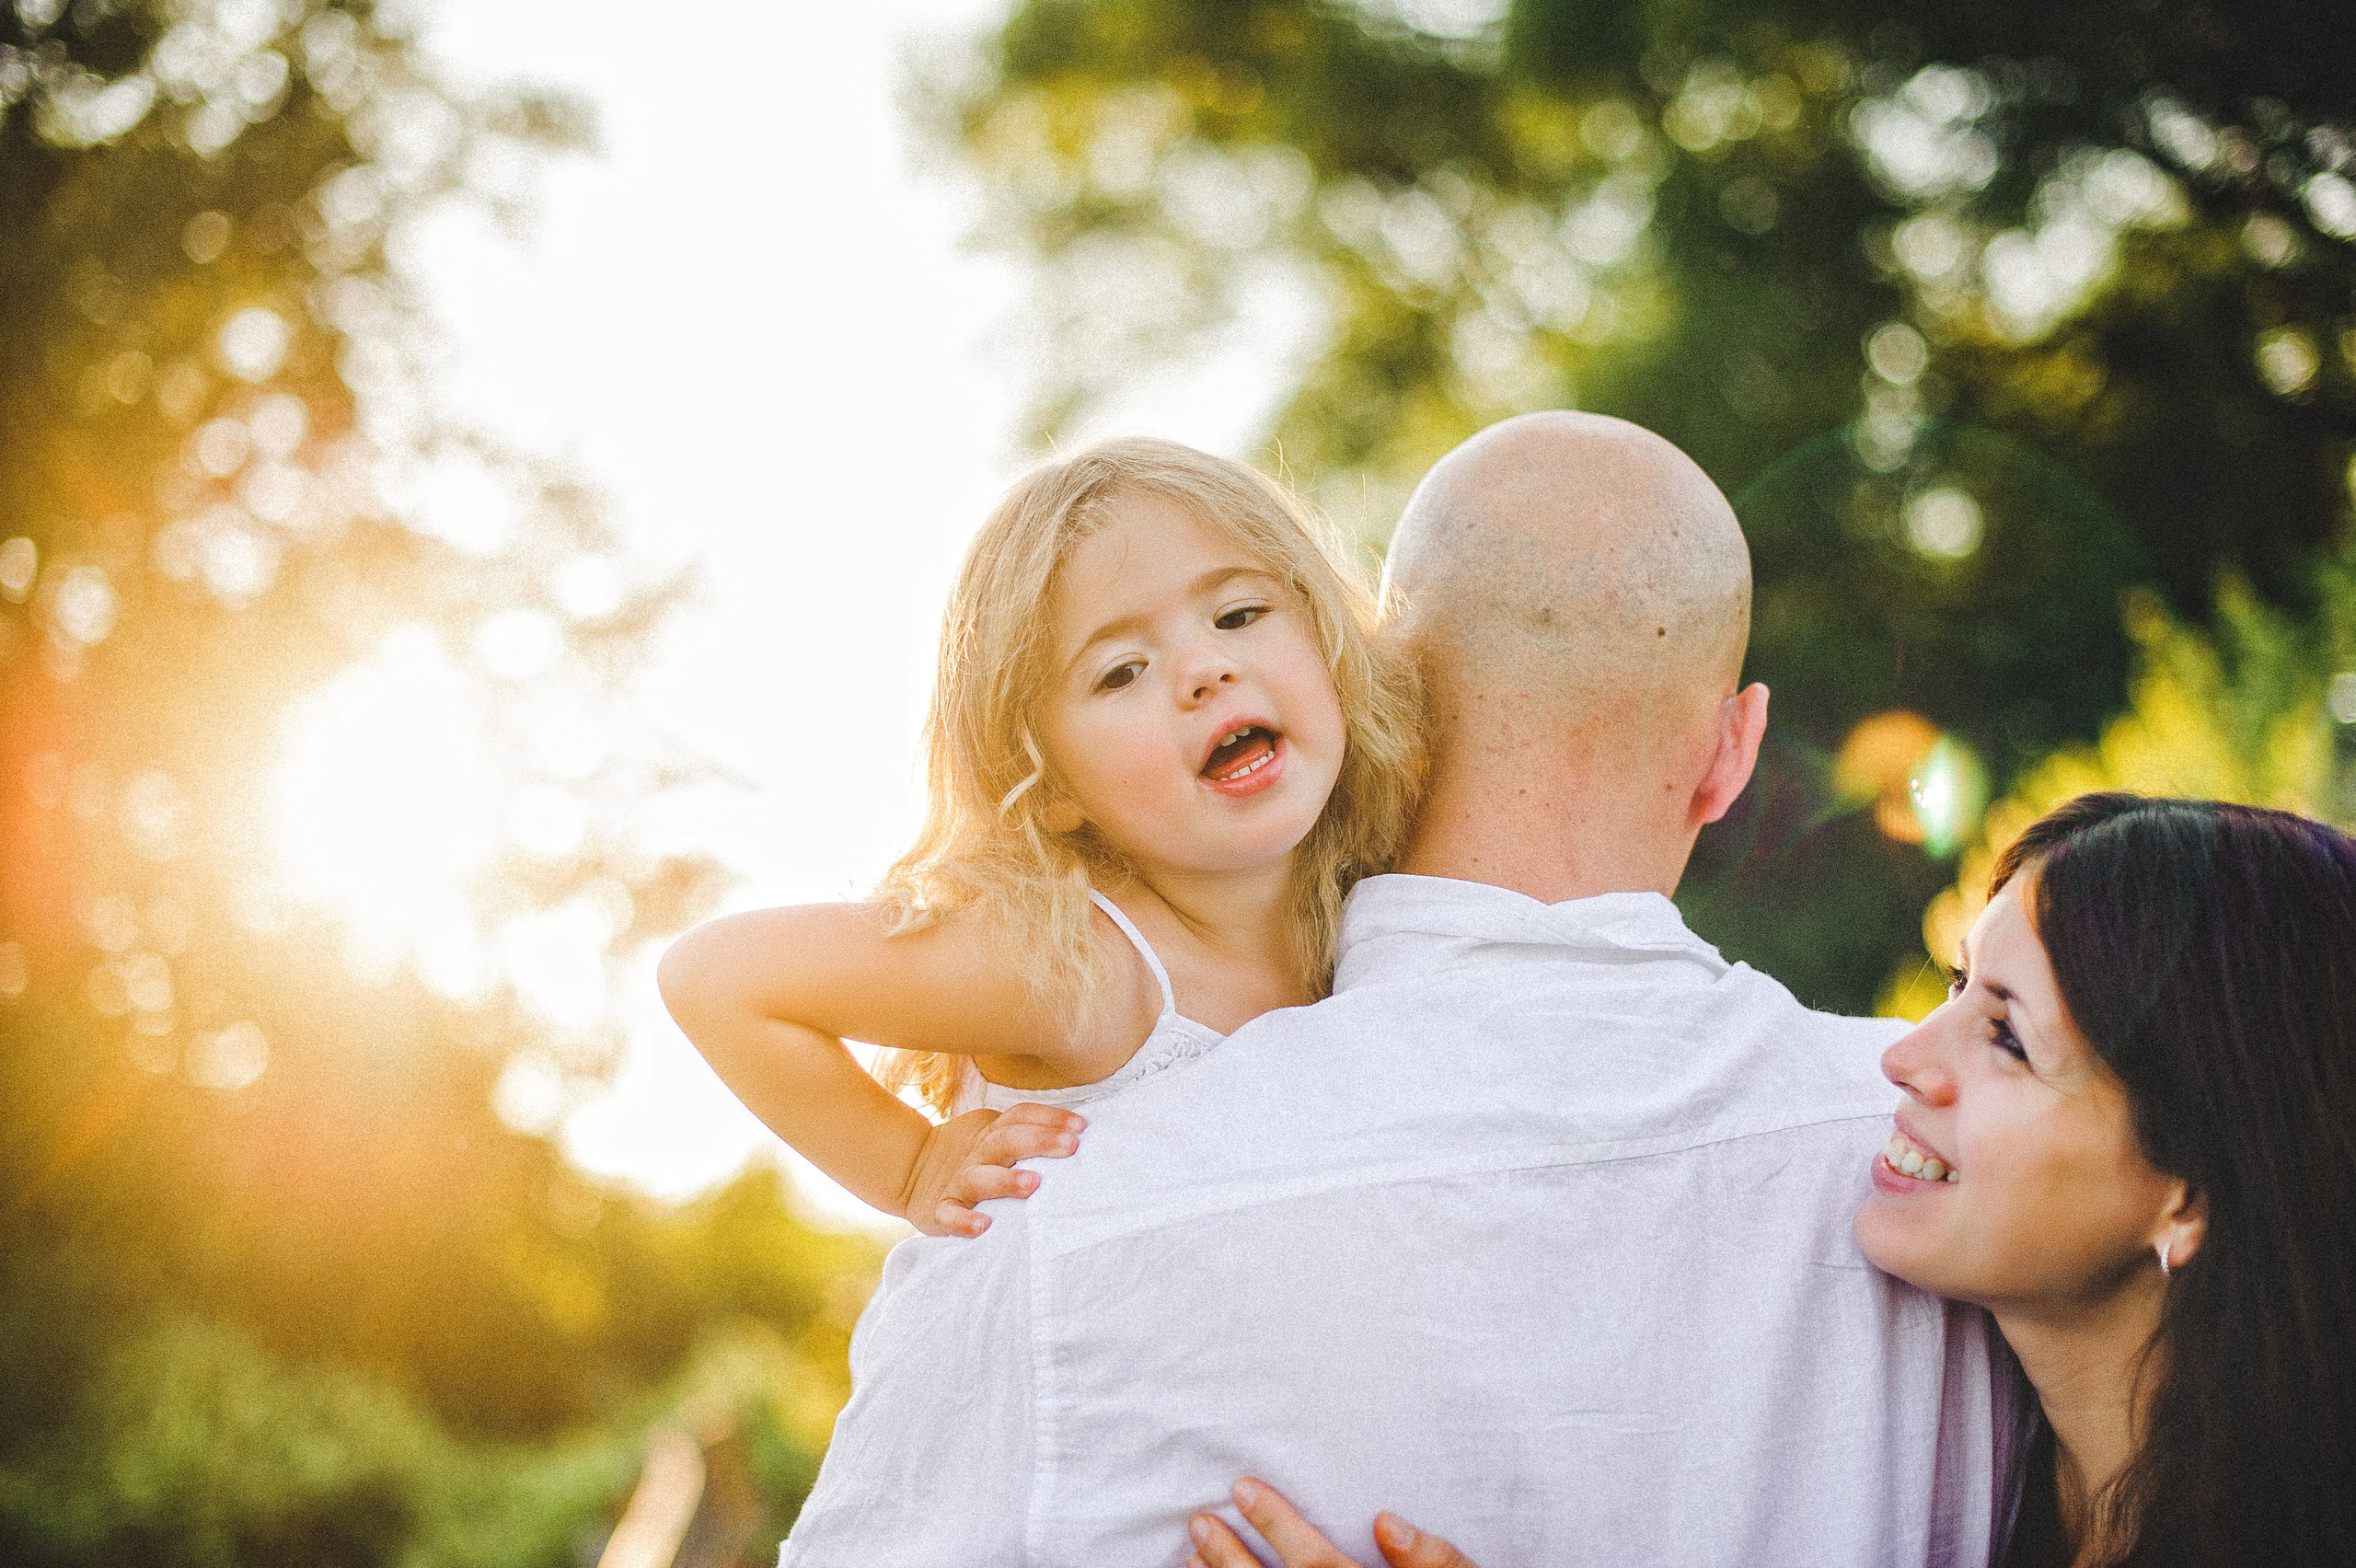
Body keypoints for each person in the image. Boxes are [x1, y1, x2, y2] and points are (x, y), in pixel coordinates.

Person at [775, 411, 2007, 1567]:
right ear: (1732, 752)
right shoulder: (1977, 1176)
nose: (1203, 676)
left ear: (1378, 686)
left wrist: (906, 1165)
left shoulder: (1048, 1223)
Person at [1185, 795, 2356, 1568]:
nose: (1905, 1056)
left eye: (2003, 1038)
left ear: (2189, 1194)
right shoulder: (1983, 1469)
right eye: (1955, 984)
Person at [657, 438, 1420, 1237]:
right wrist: (910, 1164)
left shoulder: (1381, 889)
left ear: (1327, 635)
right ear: (1049, 784)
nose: (1205, 668)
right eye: (1121, 670)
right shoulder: (1083, 969)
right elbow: (715, 978)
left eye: (1239, 614)